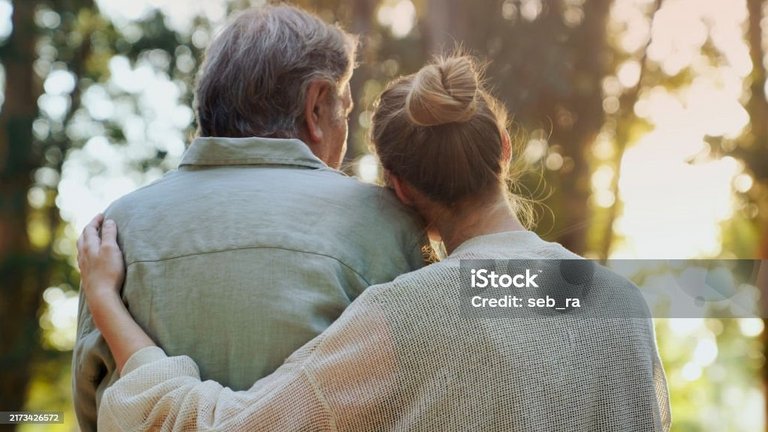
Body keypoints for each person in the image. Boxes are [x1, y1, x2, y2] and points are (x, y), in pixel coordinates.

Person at [78, 56, 672, 431]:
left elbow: (219, 427)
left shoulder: (403, 316)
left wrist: (106, 299)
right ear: (506, 148)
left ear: (398, 189)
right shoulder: (617, 303)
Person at [71, 5, 428, 431]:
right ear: (315, 107)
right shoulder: (389, 224)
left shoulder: (115, 230)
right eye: (345, 111)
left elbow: (93, 407)